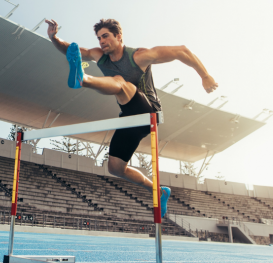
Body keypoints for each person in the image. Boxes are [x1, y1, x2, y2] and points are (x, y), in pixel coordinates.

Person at [45, 18, 218, 217]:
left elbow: (182, 51)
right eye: (99, 37)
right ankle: (158, 191)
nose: (101, 41)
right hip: (129, 117)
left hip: (149, 112)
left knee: (120, 82)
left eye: (106, 36)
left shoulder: (139, 56)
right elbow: (71, 50)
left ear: (119, 37)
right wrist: (54, 37)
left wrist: (205, 75)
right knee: (115, 168)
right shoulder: (98, 55)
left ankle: (82, 79)